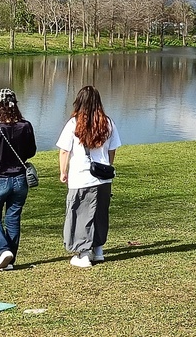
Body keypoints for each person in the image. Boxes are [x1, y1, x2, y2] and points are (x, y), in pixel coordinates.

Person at [57, 85, 121, 268]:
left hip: (82, 178)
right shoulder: (108, 123)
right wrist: (106, 166)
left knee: (80, 215)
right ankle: (98, 251)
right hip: (103, 179)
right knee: (100, 215)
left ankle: (83, 254)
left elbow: (64, 151)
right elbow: (112, 150)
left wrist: (63, 172)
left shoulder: (73, 124)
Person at [0, 88, 37, 271]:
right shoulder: (26, 126)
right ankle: (10, 261)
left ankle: (3, 250)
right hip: (20, 179)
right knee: (13, 218)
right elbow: (31, 151)